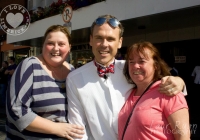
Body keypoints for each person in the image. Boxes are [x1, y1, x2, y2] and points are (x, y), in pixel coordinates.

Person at [66, 14, 187, 140]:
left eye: (111, 39)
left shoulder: (132, 69)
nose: (104, 44)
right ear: (90, 40)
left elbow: (157, 87)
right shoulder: (75, 78)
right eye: (98, 38)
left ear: (120, 42)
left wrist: (179, 82)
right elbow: (77, 129)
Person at [6, 25, 84, 140]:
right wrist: (57, 128)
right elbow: (16, 110)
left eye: (61, 44)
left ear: (69, 48)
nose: (55, 48)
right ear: (43, 46)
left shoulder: (72, 71)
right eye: (50, 43)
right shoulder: (30, 66)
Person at [118, 41, 190, 140]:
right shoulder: (128, 92)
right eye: (131, 62)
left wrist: (180, 80)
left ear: (156, 65)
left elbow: (183, 137)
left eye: (142, 61)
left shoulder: (167, 91)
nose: (135, 66)